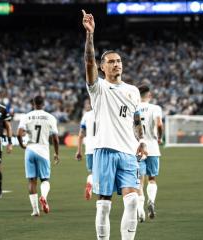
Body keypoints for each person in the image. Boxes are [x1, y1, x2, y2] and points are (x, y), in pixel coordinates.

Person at [82, 10, 147, 240]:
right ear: (102, 67)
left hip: (128, 152)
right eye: (111, 62)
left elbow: (136, 119)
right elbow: (88, 60)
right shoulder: (97, 88)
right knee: (104, 205)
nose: (116, 65)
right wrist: (90, 35)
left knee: (131, 201)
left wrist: (141, 140)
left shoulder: (133, 91)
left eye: (119, 61)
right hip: (105, 151)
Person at [17, 95, 60, 216]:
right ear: (44, 104)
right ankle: (44, 197)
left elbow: (19, 134)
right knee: (45, 180)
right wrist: (56, 153)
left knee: (32, 181)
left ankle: (35, 210)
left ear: (33, 104)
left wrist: (21, 145)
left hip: (30, 150)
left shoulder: (26, 116)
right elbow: (55, 139)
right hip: (43, 151)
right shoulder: (50, 117)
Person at [136, 85, 163, 222]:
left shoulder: (133, 108)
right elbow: (159, 124)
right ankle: (151, 201)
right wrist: (159, 137)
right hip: (152, 147)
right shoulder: (156, 108)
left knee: (139, 182)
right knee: (152, 179)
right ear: (149, 95)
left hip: (138, 148)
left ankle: (140, 211)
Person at [75, 104, 96, 200]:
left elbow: (80, 135)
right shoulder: (105, 113)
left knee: (92, 173)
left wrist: (79, 151)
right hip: (103, 147)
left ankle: (90, 183)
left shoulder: (86, 115)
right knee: (102, 174)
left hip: (90, 148)